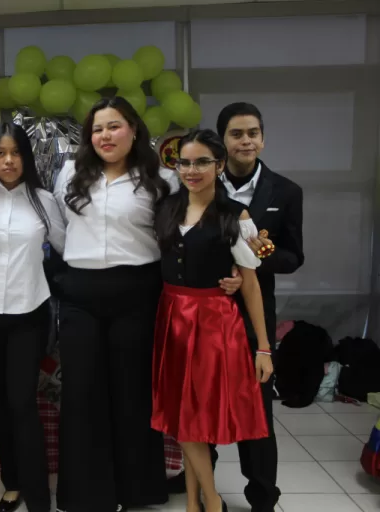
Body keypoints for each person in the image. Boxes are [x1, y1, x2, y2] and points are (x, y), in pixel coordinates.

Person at [51, 97, 242, 512]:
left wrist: (233, 268)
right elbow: (59, 232)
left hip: (138, 291)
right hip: (81, 293)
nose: (105, 135)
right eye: (98, 128)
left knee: (133, 392)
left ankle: (136, 490)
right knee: (82, 392)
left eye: (114, 126)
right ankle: (87, 493)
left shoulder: (160, 178)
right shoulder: (69, 174)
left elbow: (196, 225)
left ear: (134, 130)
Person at [151, 129, 274, 512]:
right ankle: (193, 502)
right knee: (185, 417)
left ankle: (212, 501)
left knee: (194, 419)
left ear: (219, 165)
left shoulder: (235, 216)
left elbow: (251, 286)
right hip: (172, 319)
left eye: (202, 161)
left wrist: (264, 347)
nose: (192, 170)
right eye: (184, 162)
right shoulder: (167, 208)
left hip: (214, 324)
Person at [208, 102, 305, 512]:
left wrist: (259, 256)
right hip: (206, 313)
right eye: (236, 134)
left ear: (262, 138)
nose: (245, 140)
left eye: (252, 133)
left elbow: (294, 257)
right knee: (205, 403)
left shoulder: (286, 192)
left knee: (257, 409)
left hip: (254, 317)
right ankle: (200, 485)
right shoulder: (200, 185)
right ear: (223, 141)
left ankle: (263, 495)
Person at [0, 123, 65, 512]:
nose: (8, 161)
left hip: (30, 312)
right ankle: (12, 481)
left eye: (15, 153)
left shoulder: (44, 200)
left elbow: (67, 247)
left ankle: (37, 490)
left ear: (26, 157)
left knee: (22, 402)